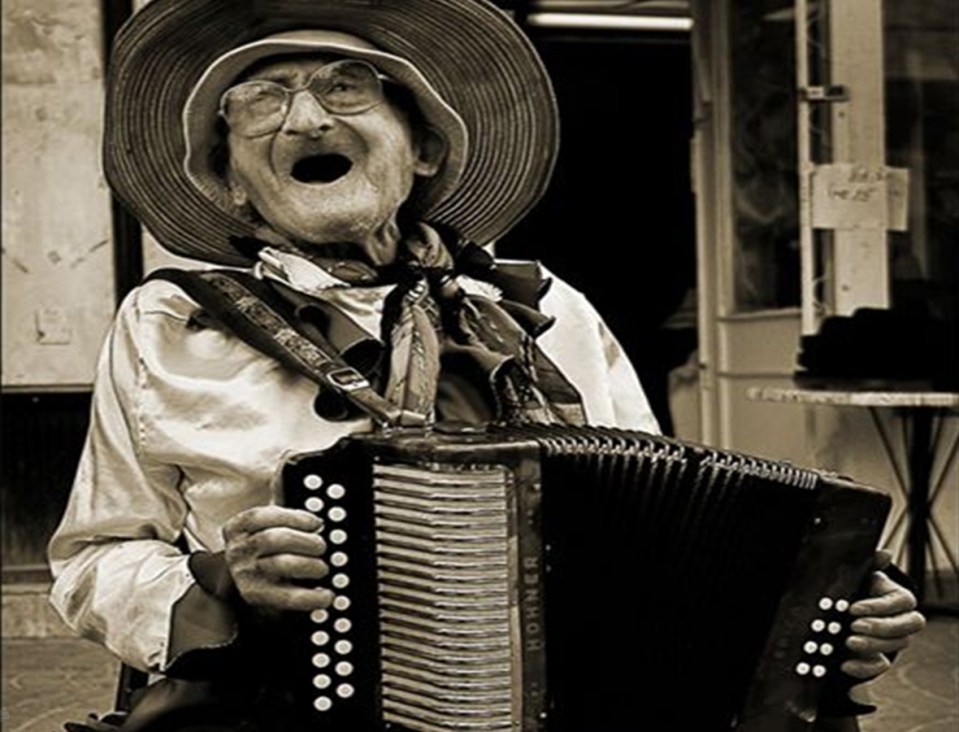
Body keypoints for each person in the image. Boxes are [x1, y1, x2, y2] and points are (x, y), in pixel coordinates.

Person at [48, 1, 924, 730]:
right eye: (262, 104)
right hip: (270, 706)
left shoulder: (544, 310)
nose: (307, 119)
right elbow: (94, 563)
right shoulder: (168, 322)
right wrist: (221, 586)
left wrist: (823, 606)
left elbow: (685, 530)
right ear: (232, 183)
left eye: (347, 90)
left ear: (421, 148)